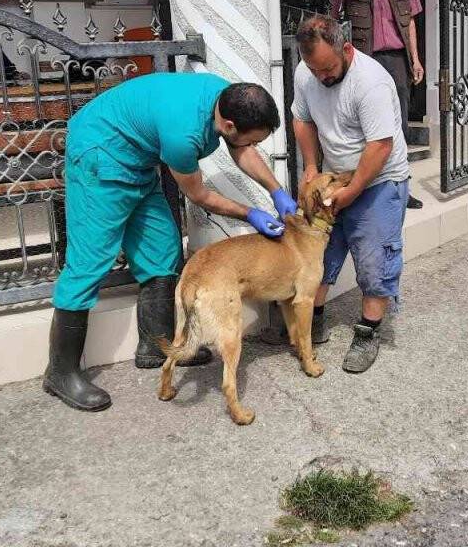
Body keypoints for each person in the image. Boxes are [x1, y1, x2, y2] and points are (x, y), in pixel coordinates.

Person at [45, 73, 298, 411]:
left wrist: (276, 190)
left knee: (161, 250)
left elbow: (243, 149)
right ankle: (60, 372)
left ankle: (154, 345)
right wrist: (250, 213)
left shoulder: (227, 97)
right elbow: (200, 195)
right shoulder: (183, 133)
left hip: (138, 164)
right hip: (99, 156)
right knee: (89, 263)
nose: (250, 146)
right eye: (249, 139)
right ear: (229, 125)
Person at [291, 15, 410, 374]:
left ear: (346, 49)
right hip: (334, 180)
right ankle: (313, 323)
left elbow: (380, 145)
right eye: (315, 70)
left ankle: (367, 332)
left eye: (327, 68)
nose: (322, 77)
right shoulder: (305, 73)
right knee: (317, 258)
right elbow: (302, 119)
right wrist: (311, 167)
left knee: (374, 262)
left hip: (378, 181)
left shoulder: (371, 82)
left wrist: (354, 189)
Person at [331, 0, 425, 210]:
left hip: (396, 59)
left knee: (398, 123)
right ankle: (363, 186)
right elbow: (336, 18)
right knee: (362, 124)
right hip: (362, 59)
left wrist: (415, 59)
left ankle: (401, 185)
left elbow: (409, 22)